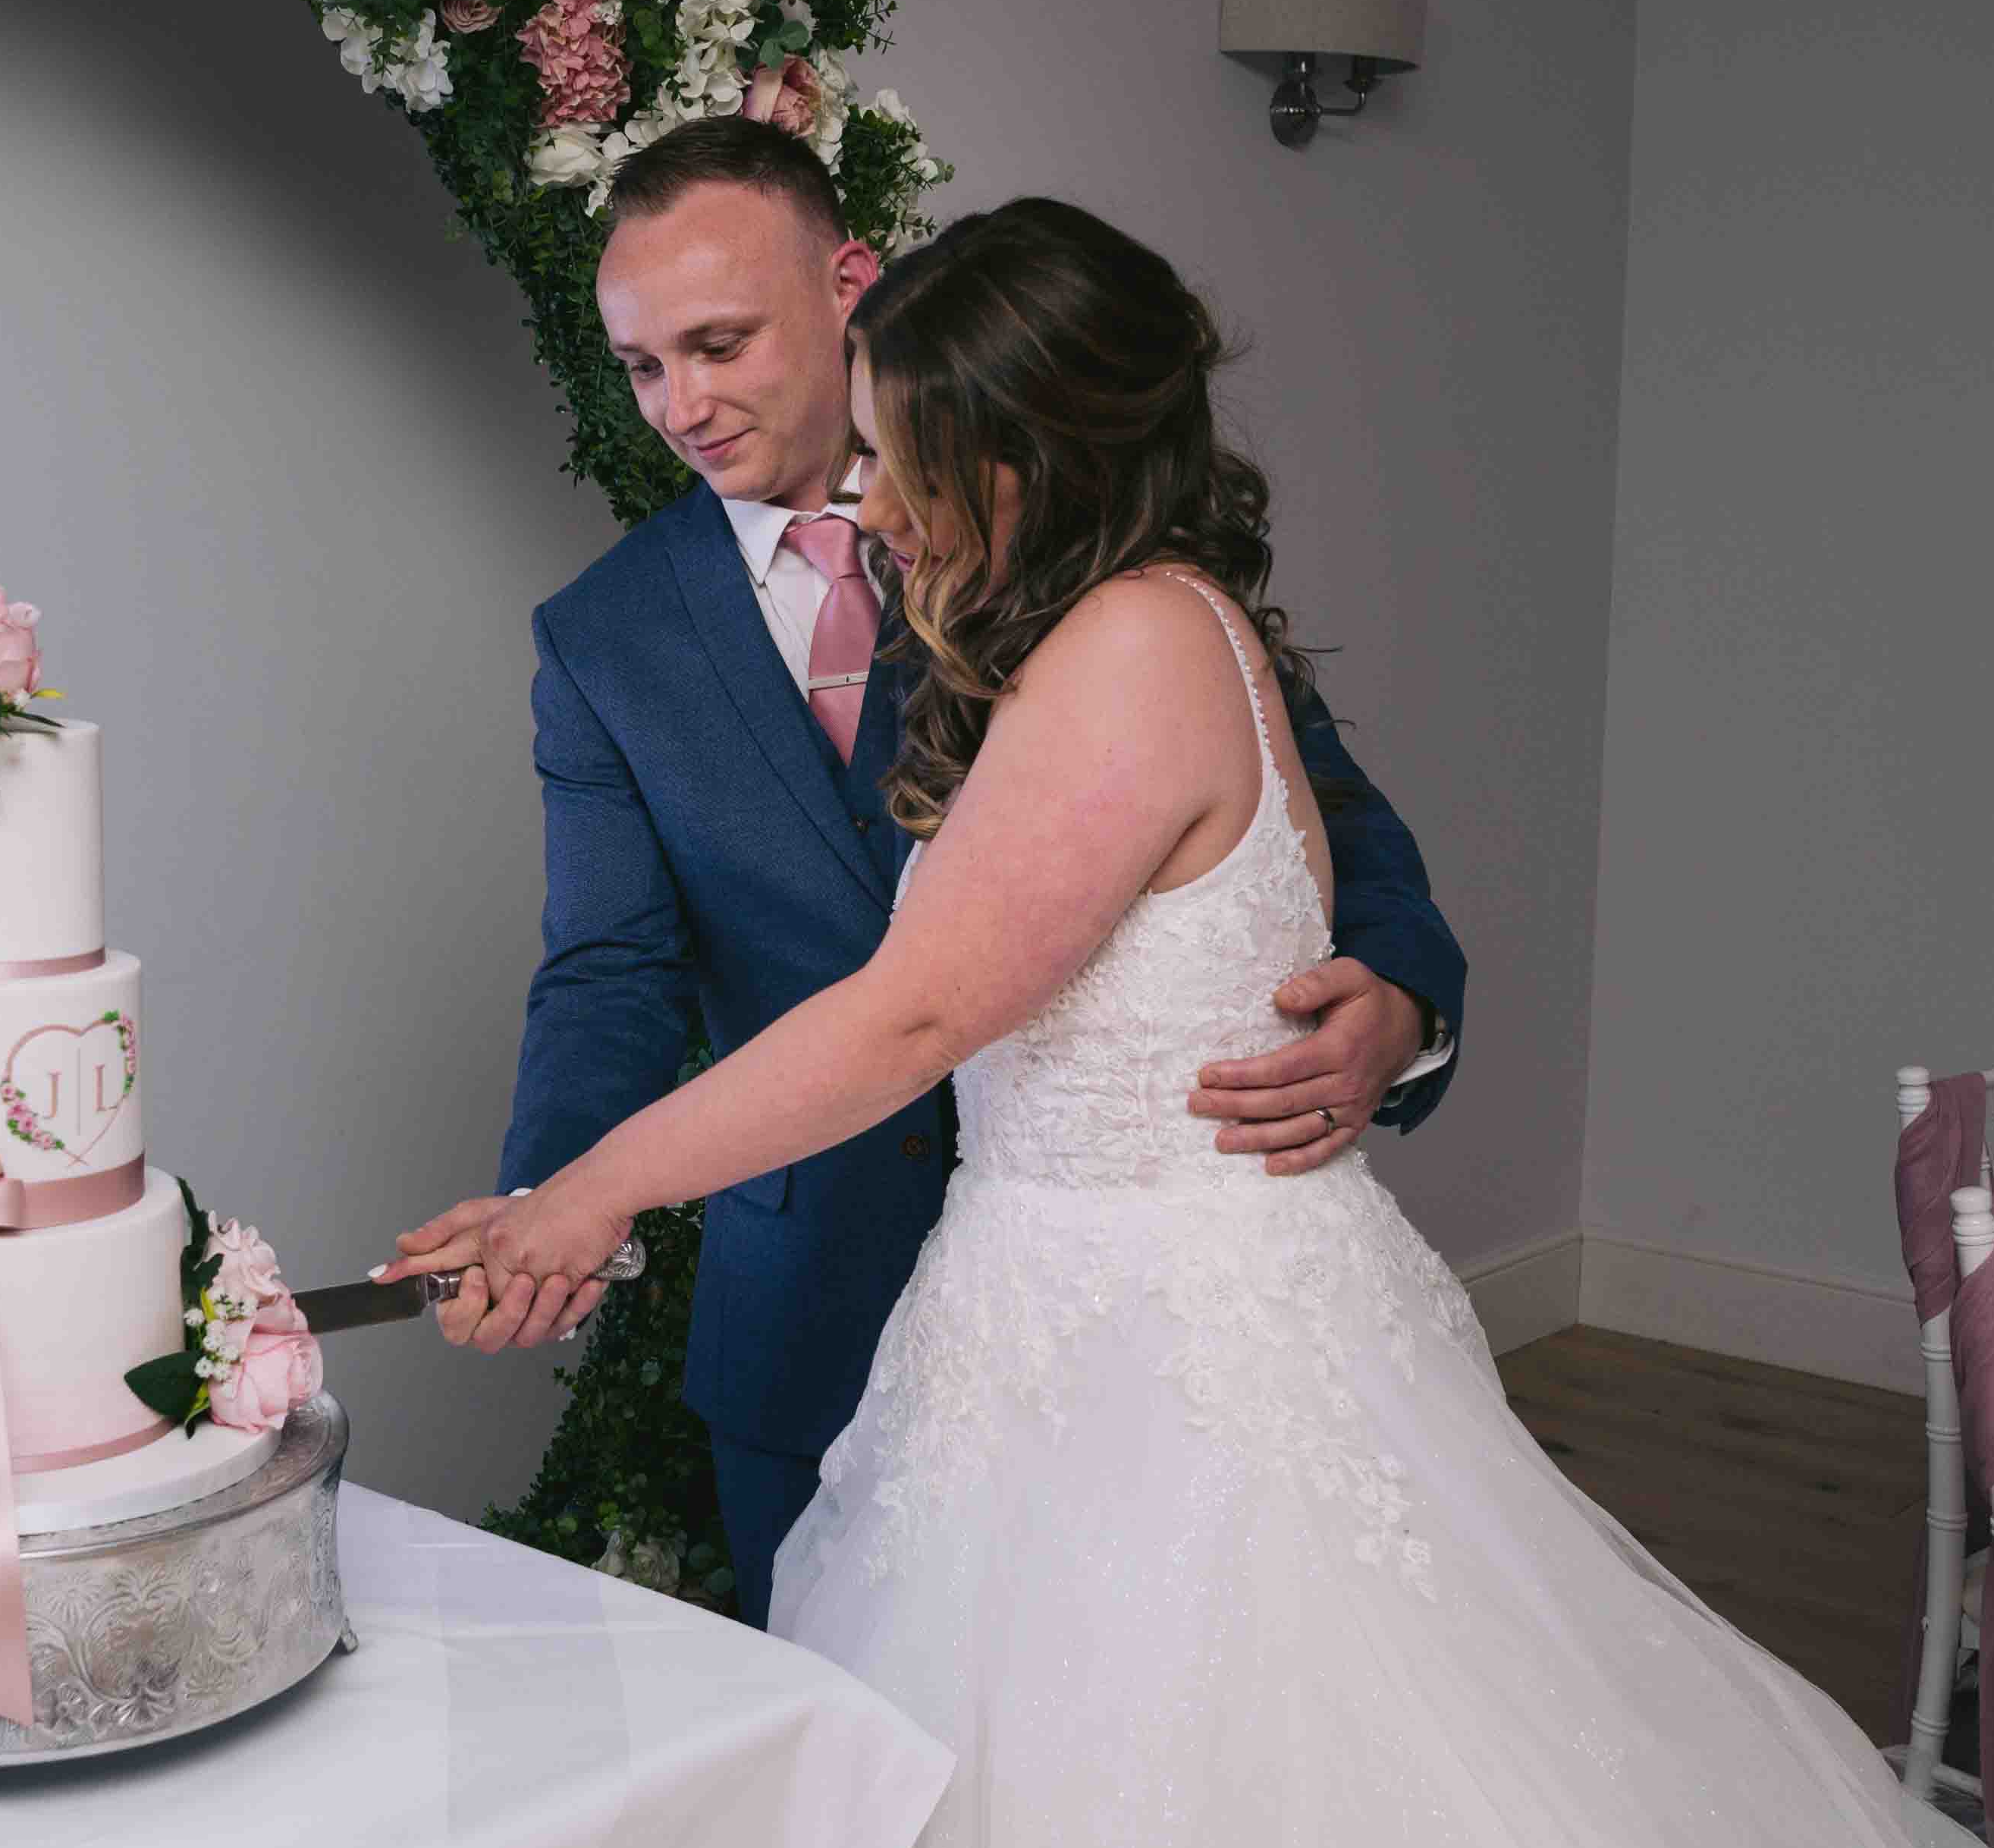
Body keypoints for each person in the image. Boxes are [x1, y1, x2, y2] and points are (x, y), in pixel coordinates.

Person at [391, 200, 1994, 1848]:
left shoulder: (1131, 645)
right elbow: (615, 965)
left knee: (1253, 1830)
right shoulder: (1044, 625)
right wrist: (557, 1183)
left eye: (905, 460)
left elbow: (918, 1010)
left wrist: (585, 1196)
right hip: (989, 1323)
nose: (886, 508)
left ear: (1008, 444)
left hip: (1170, 1351)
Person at [432, 115, 1464, 1628]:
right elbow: (610, 966)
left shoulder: (1087, 578)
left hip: (1155, 1323)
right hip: (820, 1307)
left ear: (849, 281)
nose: (686, 402)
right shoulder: (603, 637)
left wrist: (1398, 999)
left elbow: (1322, 821)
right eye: (646, 364)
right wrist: (556, 1199)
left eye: (721, 342)